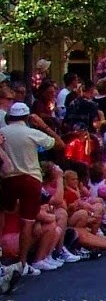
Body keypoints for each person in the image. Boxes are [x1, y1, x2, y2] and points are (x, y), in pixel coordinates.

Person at [0, 102, 65, 275]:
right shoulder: (32, 132)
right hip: (30, 178)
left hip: (7, 177)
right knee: (26, 222)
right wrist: (43, 125)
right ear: (27, 117)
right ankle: (22, 263)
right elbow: (59, 144)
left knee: (4, 215)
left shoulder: (2, 133)